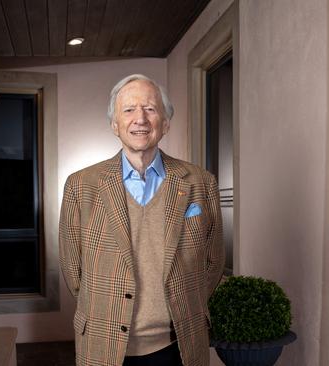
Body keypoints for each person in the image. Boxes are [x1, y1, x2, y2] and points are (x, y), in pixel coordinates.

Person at [59, 74, 224, 366]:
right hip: (105, 344)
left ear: (165, 123)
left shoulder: (201, 182)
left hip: (179, 345)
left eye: (150, 108)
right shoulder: (81, 185)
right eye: (129, 109)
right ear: (114, 125)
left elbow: (213, 261)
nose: (140, 119)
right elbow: (74, 271)